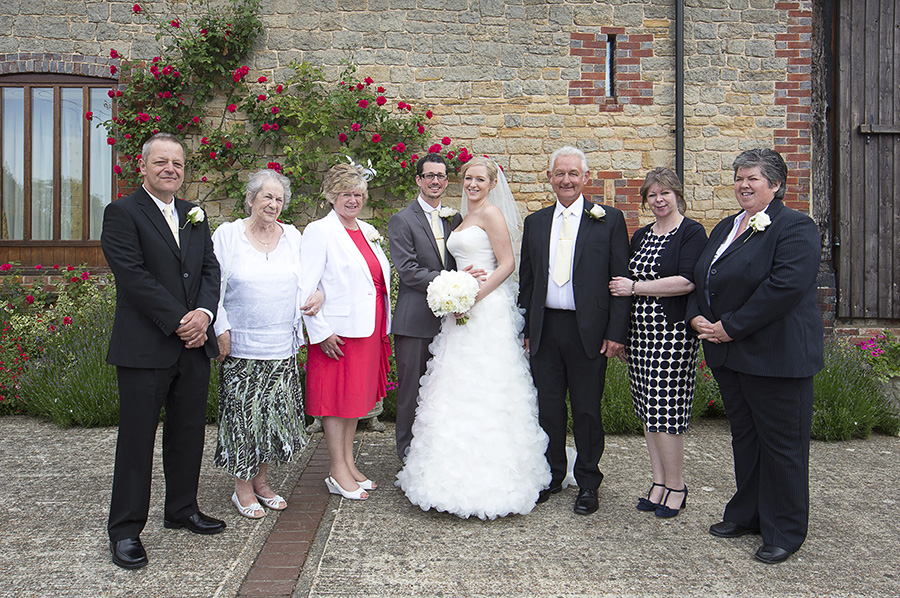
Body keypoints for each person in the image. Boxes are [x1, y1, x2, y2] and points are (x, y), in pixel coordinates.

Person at [686, 149, 823, 564]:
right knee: (746, 440)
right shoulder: (728, 225)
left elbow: (783, 288)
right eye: (739, 177)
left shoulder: (796, 227)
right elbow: (702, 276)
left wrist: (729, 326)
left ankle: (785, 529)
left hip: (776, 357)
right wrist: (697, 318)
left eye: (753, 179)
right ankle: (747, 513)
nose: (743, 185)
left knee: (783, 446)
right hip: (731, 356)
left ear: (776, 185)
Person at [396, 156, 551, 520]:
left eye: (480, 179)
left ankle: (494, 475)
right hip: (461, 311)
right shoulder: (459, 218)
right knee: (455, 387)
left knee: (488, 387)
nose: (473, 184)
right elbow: (455, 264)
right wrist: (458, 290)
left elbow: (507, 263)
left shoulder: (492, 215)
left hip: (485, 310)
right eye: (468, 178)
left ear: (492, 184)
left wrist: (473, 297)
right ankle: (446, 473)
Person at [101, 132, 224, 570]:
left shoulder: (195, 214)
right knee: (137, 440)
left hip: (193, 346)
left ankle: (182, 509)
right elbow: (132, 277)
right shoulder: (121, 212)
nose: (170, 169)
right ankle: (126, 531)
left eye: (177, 163)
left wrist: (205, 315)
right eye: (161, 162)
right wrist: (180, 320)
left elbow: (210, 267)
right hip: (145, 346)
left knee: (188, 432)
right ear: (143, 166)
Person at [518, 146, 631, 516]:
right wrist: (528, 329)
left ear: (586, 178)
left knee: (586, 410)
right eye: (559, 173)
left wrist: (616, 332)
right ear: (549, 178)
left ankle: (588, 482)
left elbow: (620, 278)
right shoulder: (535, 222)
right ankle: (552, 474)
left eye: (573, 174)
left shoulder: (609, 220)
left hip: (590, 331)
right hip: (546, 328)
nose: (566, 180)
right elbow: (528, 281)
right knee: (548, 407)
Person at [211, 169, 322, 518]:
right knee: (243, 417)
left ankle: (261, 482)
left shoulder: (292, 236)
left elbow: (309, 279)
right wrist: (221, 328)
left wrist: (318, 293)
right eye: (266, 197)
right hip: (242, 346)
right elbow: (210, 285)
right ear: (250, 198)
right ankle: (241, 489)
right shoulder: (228, 235)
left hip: (281, 347)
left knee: (271, 419)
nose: (273, 204)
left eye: (278, 198)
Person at [609, 167, 708, 518]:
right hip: (640, 336)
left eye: (665, 193)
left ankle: (677, 485)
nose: (659, 200)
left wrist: (635, 288)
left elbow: (686, 282)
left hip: (671, 335)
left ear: (677, 195)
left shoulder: (691, 232)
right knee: (648, 412)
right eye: (652, 195)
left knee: (667, 412)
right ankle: (658, 481)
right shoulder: (642, 235)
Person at [300, 163, 392, 500]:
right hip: (337, 334)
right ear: (331, 196)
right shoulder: (319, 231)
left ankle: (349, 464)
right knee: (336, 403)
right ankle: (337, 470)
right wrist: (320, 332)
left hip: (367, 328)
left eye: (357, 195)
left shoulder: (366, 230)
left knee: (355, 402)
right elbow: (305, 288)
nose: (352, 200)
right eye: (345, 194)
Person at [388, 154, 463, 463]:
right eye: (429, 175)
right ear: (418, 180)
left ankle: (435, 456)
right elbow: (408, 270)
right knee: (411, 394)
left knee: (442, 392)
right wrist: (454, 283)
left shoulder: (455, 219)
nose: (435, 181)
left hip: (450, 321)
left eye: (441, 176)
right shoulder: (402, 219)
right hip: (415, 320)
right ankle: (407, 457)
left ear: (446, 181)